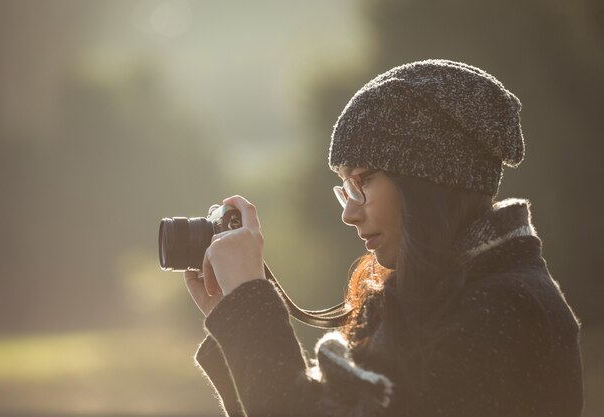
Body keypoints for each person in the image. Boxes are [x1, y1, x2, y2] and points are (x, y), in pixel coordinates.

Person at [184, 59, 584, 417]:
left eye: (363, 181)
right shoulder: (447, 293)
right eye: (344, 187)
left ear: (428, 177)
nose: (349, 212)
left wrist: (249, 304)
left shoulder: (503, 314)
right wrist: (231, 312)